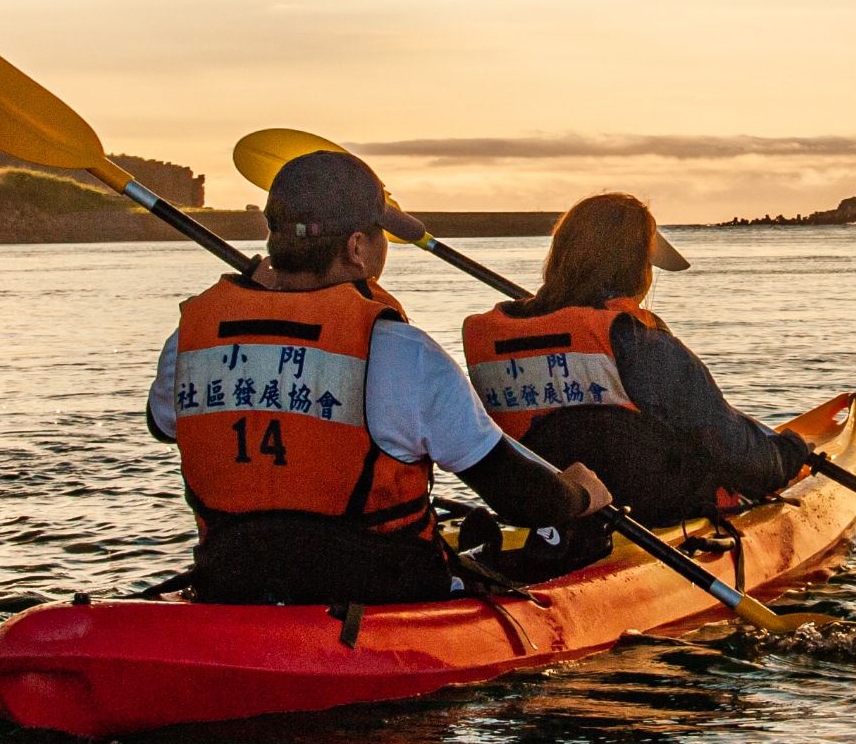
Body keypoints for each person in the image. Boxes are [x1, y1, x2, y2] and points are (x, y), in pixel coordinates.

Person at [147, 149, 611, 605]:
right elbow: (522, 500)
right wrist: (578, 493)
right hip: (381, 589)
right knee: (580, 530)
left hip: (231, 580)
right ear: (355, 247)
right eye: (381, 235)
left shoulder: (190, 335)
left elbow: (161, 423)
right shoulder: (400, 351)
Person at [461, 193, 814, 556]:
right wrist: (790, 454)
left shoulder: (487, 334)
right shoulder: (636, 339)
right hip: (653, 512)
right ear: (635, 267)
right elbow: (733, 449)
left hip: (547, 506)